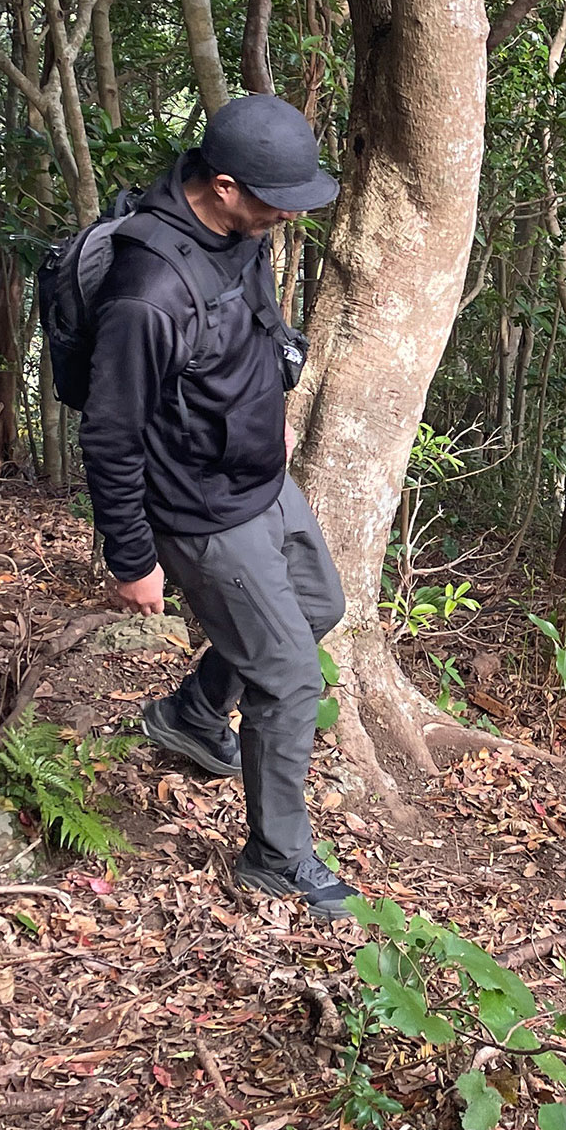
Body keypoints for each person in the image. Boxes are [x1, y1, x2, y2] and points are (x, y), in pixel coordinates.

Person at [80, 95, 354, 918]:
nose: (288, 214)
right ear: (226, 185)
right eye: (277, 197)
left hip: (262, 483)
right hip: (201, 513)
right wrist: (132, 557)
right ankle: (276, 856)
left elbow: (257, 321)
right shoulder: (148, 291)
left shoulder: (240, 234)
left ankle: (195, 712)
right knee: (290, 681)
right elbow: (110, 434)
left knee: (320, 608)